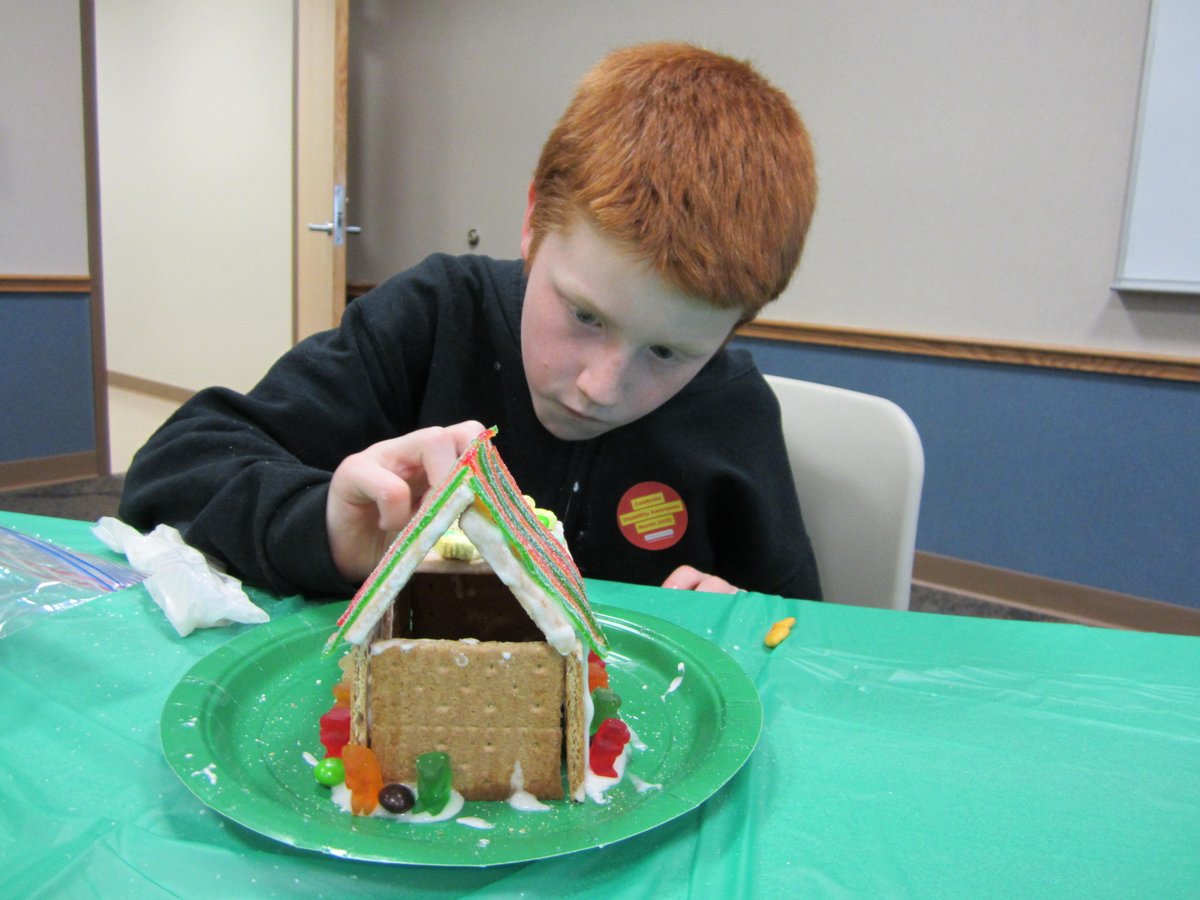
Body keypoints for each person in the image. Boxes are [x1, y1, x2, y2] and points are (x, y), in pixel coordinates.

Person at [119, 41, 822, 602]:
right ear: (533, 221)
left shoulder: (734, 412)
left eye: (667, 353)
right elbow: (172, 473)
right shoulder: (431, 318)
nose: (601, 388)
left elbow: (800, 635)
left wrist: (746, 623)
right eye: (584, 314)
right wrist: (325, 527)